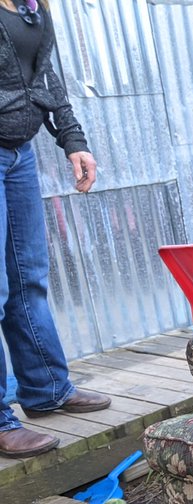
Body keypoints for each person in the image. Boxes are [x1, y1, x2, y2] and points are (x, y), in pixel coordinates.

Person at [0, 0, 109, 459]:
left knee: (29, 277)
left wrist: (72, 139)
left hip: (18, 153)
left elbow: (44, 76)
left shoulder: (32, 6)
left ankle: (46, 388)